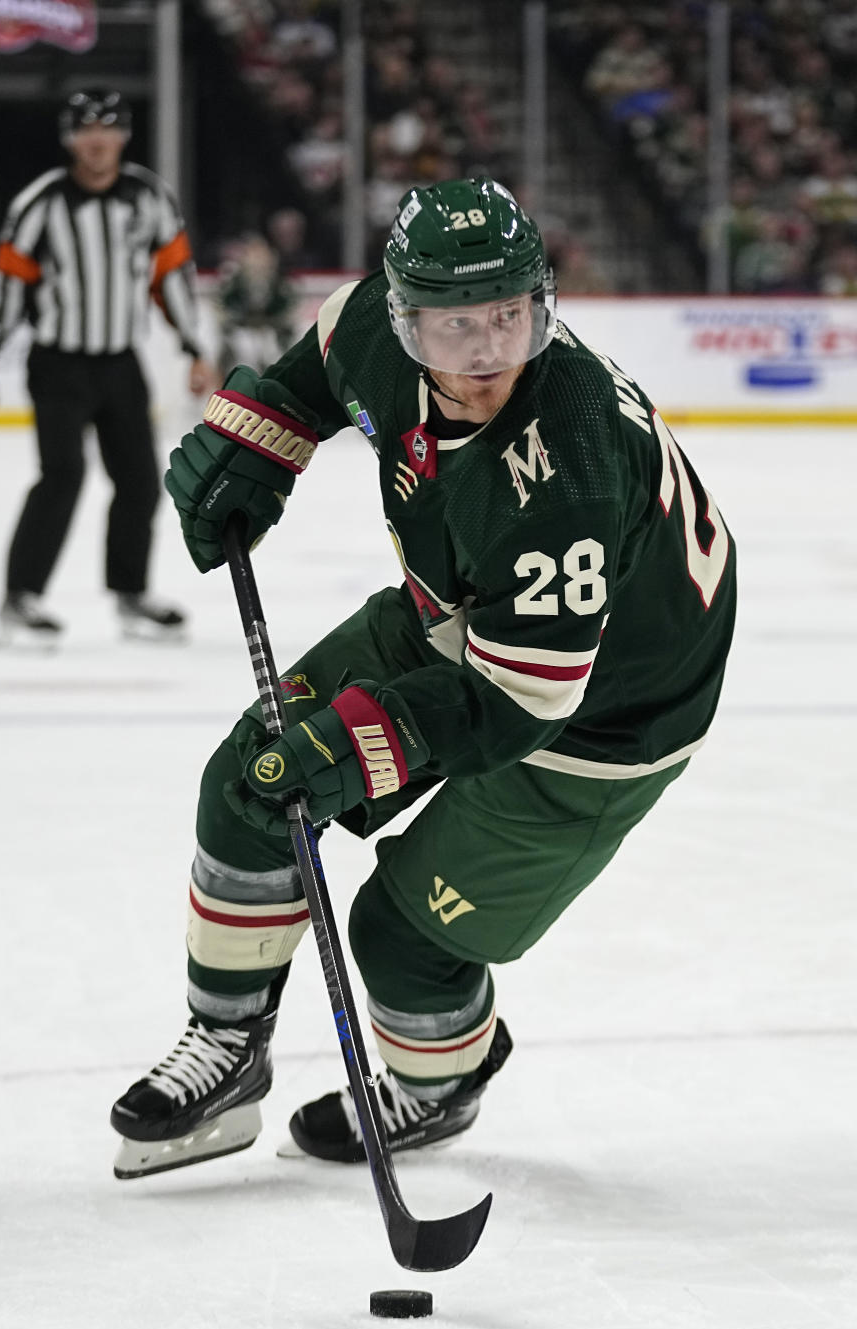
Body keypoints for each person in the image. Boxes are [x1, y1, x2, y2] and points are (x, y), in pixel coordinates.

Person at [110, 177, 736, 1180]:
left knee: (402, 937)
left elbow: (519, 703)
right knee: (252, 782)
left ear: (542, 303)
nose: (487, 351)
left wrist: (359, 747)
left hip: (610, 708)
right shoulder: (369, 321)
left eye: (509, 317)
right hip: (466, 609)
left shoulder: (560, 465)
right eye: (454, 327)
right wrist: (253, 444)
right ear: (401, 316)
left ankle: (439, 1084)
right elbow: (303, 385)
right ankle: (226, 1044)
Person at [0, 90, 216, 644]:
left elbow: (171, 277)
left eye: (107, 128)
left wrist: (194, 347)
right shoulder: (40, 203)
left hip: (120, 363)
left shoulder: (149, 197)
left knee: (139, 483)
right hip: (58, 363)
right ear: (69, 139)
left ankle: (131, 598)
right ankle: (20, 599)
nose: (97, 140)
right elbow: (10, 283)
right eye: (85, 130)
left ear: (123, 136)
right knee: (62, 477)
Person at [214, 232, 296, 384]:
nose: (257, 260)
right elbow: (223, 304)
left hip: (272, 331)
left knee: (272, 350)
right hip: (242, 329)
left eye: (261, 254)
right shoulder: (235, 280)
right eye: (253, 254)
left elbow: (289, 306)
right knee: (243, 346)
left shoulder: (279, 281)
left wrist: (277, 324)